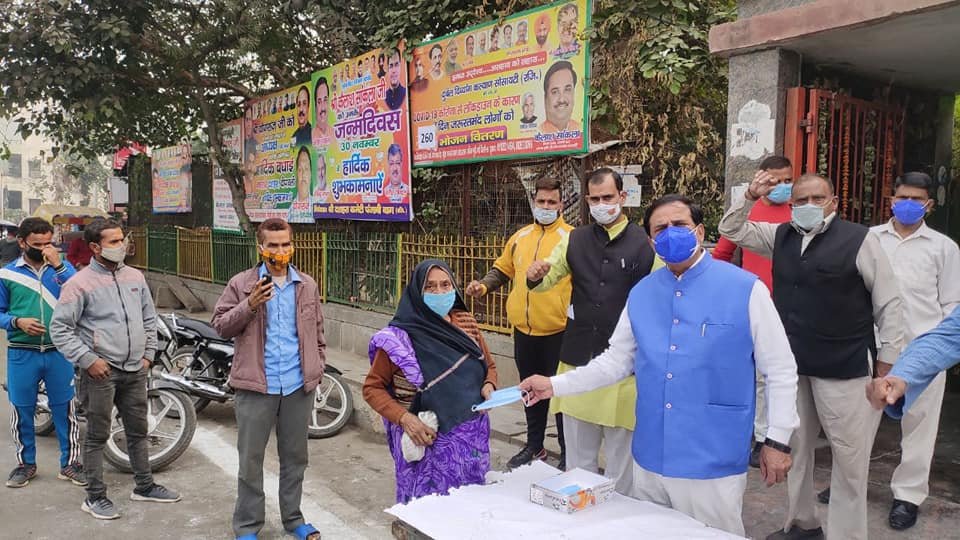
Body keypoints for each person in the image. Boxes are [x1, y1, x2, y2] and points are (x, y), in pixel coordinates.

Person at [521, 194, 799, 536]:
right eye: (661, 228)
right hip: (650, 456)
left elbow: (780, 369)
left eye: (679, 224)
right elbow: (615, 361)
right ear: (652, 241)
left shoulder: (744, 289)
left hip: (712, 457)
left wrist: (777, 440)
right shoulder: (642, 293)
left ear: (699, 231)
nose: (671, 233)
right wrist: (554, 385)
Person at [718, 173, 904, 540]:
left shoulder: (859, 240)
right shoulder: (781, 236)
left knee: (849, 460)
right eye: (801, 200)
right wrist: (750, 196)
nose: (809, 206)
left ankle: (848, 535)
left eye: (818, 199)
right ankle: (803, 524)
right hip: (793, 366)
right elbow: (731, 230)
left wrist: (886, 364)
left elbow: (889, 303)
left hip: (845, 365)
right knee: (795, 448)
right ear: (791, 205)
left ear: (834, 202)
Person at [525, 167, 656, 493]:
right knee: (578, 468)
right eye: (594, 199)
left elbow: (660, 296)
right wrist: (535, 275)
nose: (601, 205)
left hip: (625, 371)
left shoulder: (645, 244)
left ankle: (617, 518)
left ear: (622, 197)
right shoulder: (574, 239)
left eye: (607, 197)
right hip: (577, 360)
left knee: (621, 472)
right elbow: (547, 279)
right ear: (586, 200)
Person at [50, 219, 180, 520]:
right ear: (95, 247)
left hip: (135, 369)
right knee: (97, 435)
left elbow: (149, 318)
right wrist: (88, 360)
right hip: (101, 372)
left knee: (138, 431)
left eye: (122, 239)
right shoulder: (79, 283)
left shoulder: (135, 276)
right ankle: (95, 497)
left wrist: (148, 354)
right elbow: (60, 328)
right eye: (114, 241)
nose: (122, 245)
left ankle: (144, 486)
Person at [211, 218, 326, 540]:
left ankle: (294, 519)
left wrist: (317, 366)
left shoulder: (306, 285)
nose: (280, 251)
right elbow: (220, 326)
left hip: (297, 386)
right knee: (250, 461)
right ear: (260, 247)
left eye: (285, 244)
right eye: (273, 245)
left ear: (293, 245)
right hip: (255, 386)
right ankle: (248, 526)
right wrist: (249, 305)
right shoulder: (242, 283)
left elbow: (318, 332)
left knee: (295, 459)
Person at [860, 171, 960, 530]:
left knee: (920, 426)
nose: (908, 204)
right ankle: (849, 483)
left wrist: (938, 351)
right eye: (902, 197)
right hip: (873, 347)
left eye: (917, 199)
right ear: (891, 200)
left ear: (928, 205)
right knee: (859, 420)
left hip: (924, 350)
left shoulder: (944, 248)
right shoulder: (869, 239)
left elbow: (952, 305)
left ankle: (907, 496)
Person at [363, 260, 497, 503]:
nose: (439, 292)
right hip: (425, 439)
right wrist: (405, 419)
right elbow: (373, 388)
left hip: (470, 440)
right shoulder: (399, 339)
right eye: (430, 287)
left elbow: (489, 366)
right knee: (426, 510)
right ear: (417, 291)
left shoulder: (466, 324)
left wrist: (489, 386)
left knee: (469, 506)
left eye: (445, 285)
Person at [465, 178, 572, 470]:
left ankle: (568, 452)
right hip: (523, 331)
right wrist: (483, 287)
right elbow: (502, 270)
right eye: (541, 201)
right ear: (533, 203)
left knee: (560, 395)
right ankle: (534, 446)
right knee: (529, 392)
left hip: (559, 331)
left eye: (552, 202)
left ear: (561, 205)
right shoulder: (520, 237)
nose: (546, 207)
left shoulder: (571, 239)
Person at [712, 155, 794, 468]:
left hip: (791, 305)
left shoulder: (799, 213)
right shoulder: (749, 212)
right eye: (774, 181)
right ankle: (759, 436)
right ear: (761, 178)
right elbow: (722, 253)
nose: (782, 186)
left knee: (782, 373)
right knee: (757, 375)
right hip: (754, 304)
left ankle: (780, 434)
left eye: (787, 180)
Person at [1, 218, 84, 489]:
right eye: (37, 244)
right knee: (23, 408)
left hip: (59, 351)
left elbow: (81, 294)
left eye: (49, 243)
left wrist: (59, 265)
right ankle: (26, 464)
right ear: (22, 242)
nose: (44, 248)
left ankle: (70, 464)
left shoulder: (62, 269)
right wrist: (17, 322)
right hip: (22, 352)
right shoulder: (7, 275)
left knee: (65, 408)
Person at [540, 61, 579, 134]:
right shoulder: (538, 132)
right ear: (545, 99)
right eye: (555, 92)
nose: (561, 99)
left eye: (567, 90)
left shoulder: (579, 129)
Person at [311, 77, 331, 146]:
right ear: (315, 107)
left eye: (325, 100)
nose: (323, 108)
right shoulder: (311, 137)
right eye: (319, 102)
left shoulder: (334, 134)